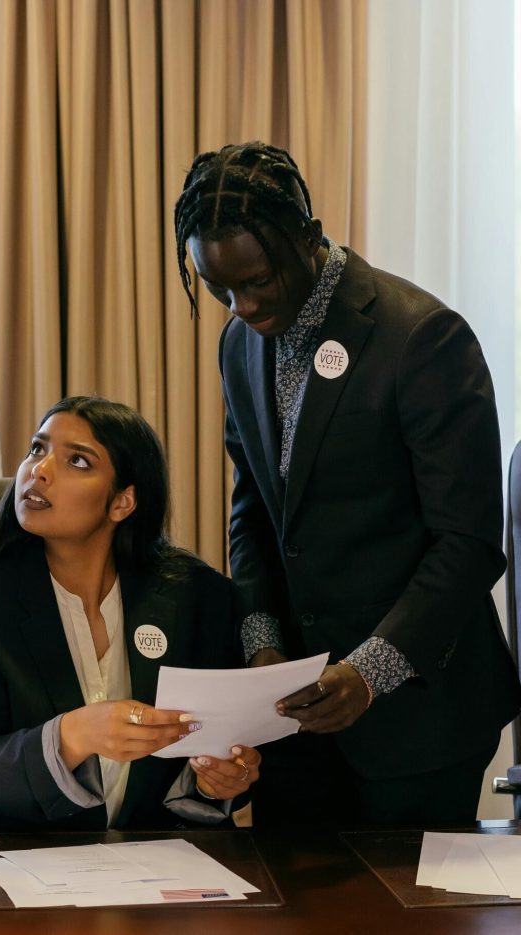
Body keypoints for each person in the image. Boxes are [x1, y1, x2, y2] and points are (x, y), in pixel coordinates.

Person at [172, 141, 521, 825]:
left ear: (308, 239)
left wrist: (371, 671)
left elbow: (470, 541)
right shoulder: (239, 344)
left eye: (257, 281)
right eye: (219, 288)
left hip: (420, 717)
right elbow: (253, 511)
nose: (240, 305)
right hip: (296, 722)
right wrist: (260, 638)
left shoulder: (422, 338)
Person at [0, 396, 261, 831]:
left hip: (141, 872)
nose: (39, 470)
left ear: (122, 503)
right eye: (37, 448)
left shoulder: (196, 598)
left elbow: (210, 752)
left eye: (78, 462)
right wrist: (72, 736)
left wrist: (215, 781)